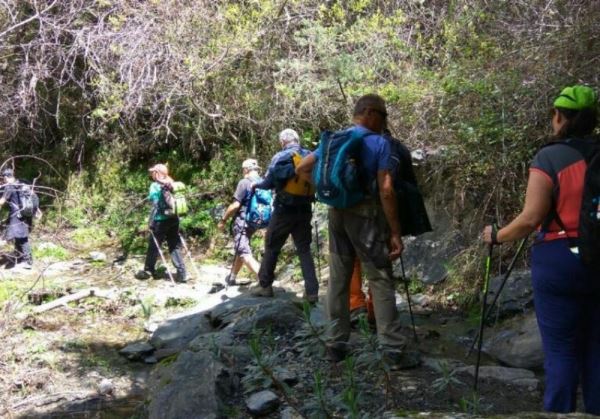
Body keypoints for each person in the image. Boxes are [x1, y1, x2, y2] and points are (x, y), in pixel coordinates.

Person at [482, 85, 600, 415]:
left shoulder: (549, 157)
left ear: (560, 117)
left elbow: (531, 218)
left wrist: (496, 236)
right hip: (598, 259)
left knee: (561, 349)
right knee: (596, 348)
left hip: (559, 258)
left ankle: (559, 413)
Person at [296, 94, 406, 360]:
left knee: (339, 279)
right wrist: (395, 231)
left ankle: (335, 345)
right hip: (366, 215)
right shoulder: (378, 143)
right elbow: (386, 190)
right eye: (383, 116)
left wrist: (329, 192)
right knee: (379, 278)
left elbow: (304, 168)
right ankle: (392, 348)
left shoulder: (337, 140)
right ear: (370, 113)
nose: (384, 122)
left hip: (337, 213)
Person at [249, 128, 319, 303]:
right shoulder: (309, 155)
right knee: (304, 249)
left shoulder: (280, 157)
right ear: (297, 139)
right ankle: (312, 292)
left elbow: (268, 182)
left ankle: (265, 286)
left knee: (272, 245)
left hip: (284, 210)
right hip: (305, 209)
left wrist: (256, 186)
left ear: (283, 142)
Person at [136, 163, 187, 283]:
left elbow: (155, 204)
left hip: (160, 220)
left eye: (153, 172)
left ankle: (149, 270)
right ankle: (182, 273)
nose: (151, 174)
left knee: (154, 245)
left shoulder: (154, 186)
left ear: (158, 173)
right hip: (174, 218)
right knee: (174, 246)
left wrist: (150, 222)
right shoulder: (173, 183)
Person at [218, 159, 262, 285]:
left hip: (243, 221)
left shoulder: (244, 182)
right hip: (256, 221)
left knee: (243, 251)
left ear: (246, 169)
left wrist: (223, 220)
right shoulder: (262, 181)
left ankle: (265, 279)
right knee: (241, 248)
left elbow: (235, 205)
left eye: (243, 169)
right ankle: (232, 277)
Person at [0, 168, 41, 269]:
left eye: (3, 178)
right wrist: (37, 211)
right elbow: (32, 197)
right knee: (18, 235)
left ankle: (28, 261)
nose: (3, 180)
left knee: (22, 237)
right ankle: (19, 256)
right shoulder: (22, 183)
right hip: (26, 214)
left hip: (17, 215)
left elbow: (1, 201)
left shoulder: (10, 186)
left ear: (6, 177)